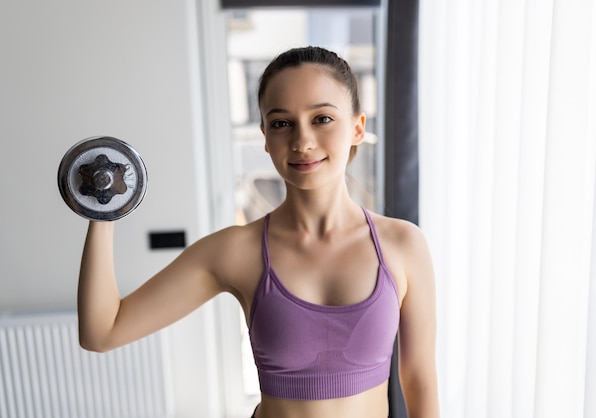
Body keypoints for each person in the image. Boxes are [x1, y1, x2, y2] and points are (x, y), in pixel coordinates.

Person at [77, 46, 440, 418]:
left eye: (323, 119)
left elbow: (418, 380)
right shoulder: (237, 251)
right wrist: (103, 211)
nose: (303, 141)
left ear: (357, 128)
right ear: (265, 136)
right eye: (283, 123)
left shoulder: (403, 245)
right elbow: (102, 332)